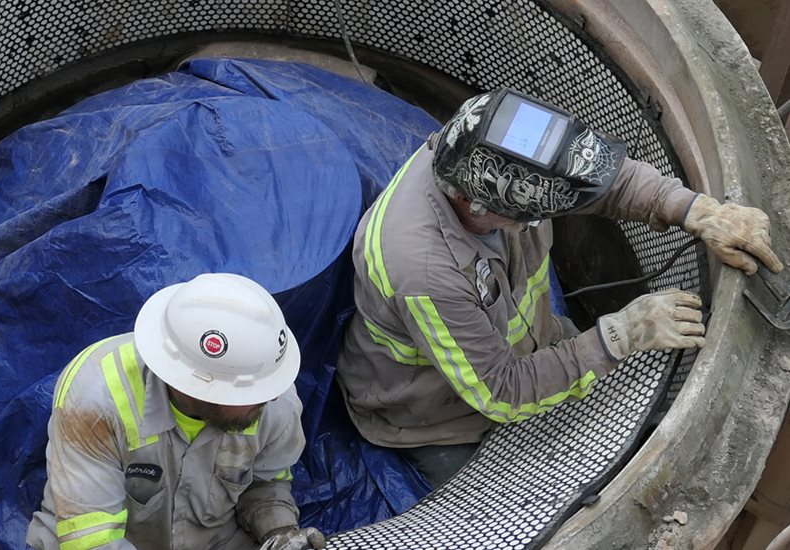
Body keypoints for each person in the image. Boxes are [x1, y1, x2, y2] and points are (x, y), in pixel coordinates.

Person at [335, 88, 783, 487]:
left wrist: (698, 212)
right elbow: (501, 391)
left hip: (532, 348)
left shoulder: (486, 153)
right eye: (533, 217)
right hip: (432, 415)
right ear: (478, 208)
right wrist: (618, 336)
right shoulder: (425, 271)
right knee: (511, 515)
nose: (544, 220)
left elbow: (604, 183)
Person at [26, 273, 326, 550]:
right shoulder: (96, 397)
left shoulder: (275, 400)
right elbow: (92, 537)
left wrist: (278, 531)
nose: (270, 397)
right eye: (252, 392)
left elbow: (264, 485)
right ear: (198, 385)